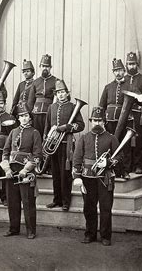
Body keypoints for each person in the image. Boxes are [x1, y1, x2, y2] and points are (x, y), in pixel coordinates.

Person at [72, 107, 122, 246]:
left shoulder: (112, 138)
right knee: (89, 207)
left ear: (104, 122)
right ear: (91, 121)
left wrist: (109, 162)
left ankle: (106, 236)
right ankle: (90, 234)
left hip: (105, 178)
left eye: (100, 120)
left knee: (106, 208)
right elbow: (77, 158)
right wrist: (77, 175)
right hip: (87, 178)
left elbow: (119, 156)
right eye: (95, 120)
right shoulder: (84, 138)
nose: (97, 123)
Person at [1, 102, 42, 239]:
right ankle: (14, 228)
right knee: (12, 201)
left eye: (26, 116)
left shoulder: (35, 133)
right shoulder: (13, 132)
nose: (24, 118)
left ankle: (31, 230)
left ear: (30, 117)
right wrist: (6, 169)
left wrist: (26, 170)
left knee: (28, 202)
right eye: (21, 116)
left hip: (26, 171)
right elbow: (5, 152)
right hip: (12, 171)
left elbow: (37, 156)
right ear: (18, 118)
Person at [44, 80, 85, 211]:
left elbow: (81, 125)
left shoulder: (73, 107)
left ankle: (66, 201)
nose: (61, 95)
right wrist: (46, 138)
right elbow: (47, 125)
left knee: (65, 174)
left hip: (66, 144)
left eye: (63, 92)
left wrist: (67, 127)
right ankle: (57, 200)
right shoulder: (52, 107)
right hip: (53, 144)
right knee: (55, 173)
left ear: (67, 93)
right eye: (58, 93)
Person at [99, 58, 132, 179]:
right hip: (110, 121)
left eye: (120, 70)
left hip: (124, 120)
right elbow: (102, 105)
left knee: (124, 146)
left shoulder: (130, 86)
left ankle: (125, 171)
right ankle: (110, 169)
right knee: (109, 145)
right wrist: (102, 120)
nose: (118, 73)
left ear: (124, 71)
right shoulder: (108, 87)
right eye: (115, 71)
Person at [123, 52, 142, 174]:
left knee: (138, 140)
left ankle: (138, 166)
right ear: (126, 65)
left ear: (137, 64)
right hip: (125, 115)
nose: (131, 66)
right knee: (126, 141)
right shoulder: (123, 79)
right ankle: (127, 166)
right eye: (129, 64)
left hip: (138, 114)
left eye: (133, 64)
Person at [27, 54, 58, 137]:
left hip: (49, 113)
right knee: (36, 135)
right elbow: (30, 100)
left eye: (47, 66)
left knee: (48, 135)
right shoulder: (35, 82)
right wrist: (29, 114)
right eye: (43, 66)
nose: (45, 68)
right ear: (40, 67)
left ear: (50, 67)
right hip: (36, 113)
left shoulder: (56, 81)